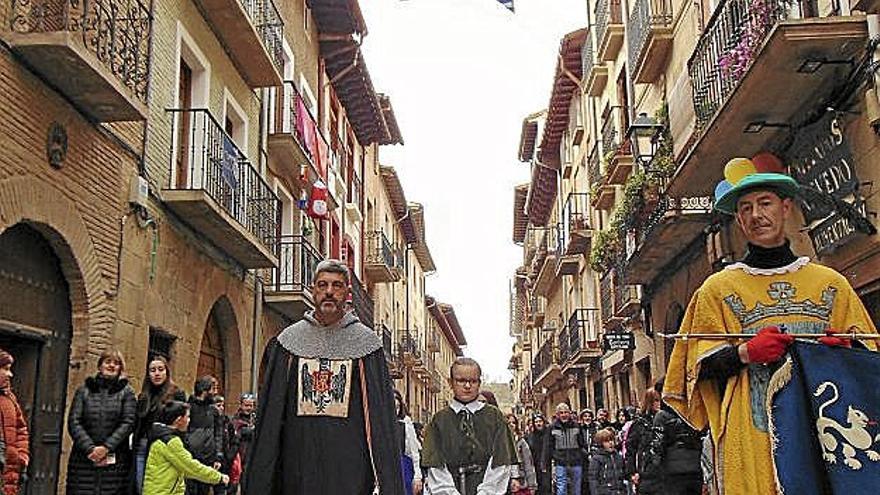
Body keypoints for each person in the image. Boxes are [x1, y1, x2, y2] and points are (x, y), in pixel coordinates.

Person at [663, 159, 879, 494]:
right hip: (754, 435)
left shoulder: (831, 283)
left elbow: (869, 356)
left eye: (765, 203)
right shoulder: (716, 290)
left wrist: (844, 351)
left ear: (785, 207)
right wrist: (745, 353)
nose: (756, 215)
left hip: (826, 432)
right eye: (745, 208)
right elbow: (692, 371)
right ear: (739, 220)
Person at [243, 259, 404, 494]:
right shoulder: (289, 342)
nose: (329, 292)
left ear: (347, 292)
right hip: (298, 469)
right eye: (323, 285)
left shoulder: (367, 345)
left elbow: (381, 420)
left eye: (337, 285)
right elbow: (271, 416)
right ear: (313, 289)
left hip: (350, 472)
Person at [421, 357, 516, 495]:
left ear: (479, 383)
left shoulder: (494, 417)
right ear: (450, 382)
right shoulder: (439, 420)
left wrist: (486, 492)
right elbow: (435, 465)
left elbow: (501, 460)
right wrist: (450, 493)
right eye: (461, 380)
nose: (467, 386)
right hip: (450, 487)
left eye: (473, 381)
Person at [65, 349, 137, 495]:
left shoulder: (127, 392)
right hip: (83, 460)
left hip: (115, 463)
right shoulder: (83, 390)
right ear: (99, 366)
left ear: (120, 368)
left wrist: (106, 448)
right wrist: (90, 448)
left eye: (116, 363)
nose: (111, 365)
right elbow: (74, 421)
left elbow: (128, 422)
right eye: (107, 361)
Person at [143, 400, 228, 495]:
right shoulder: (171, 442)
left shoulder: (162, 436)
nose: (189, 420)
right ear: (179, 420)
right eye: (187, 417)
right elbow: (190, 466)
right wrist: (219, 477)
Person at [134, 355, 187, 493]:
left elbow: (182, 425)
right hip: (143, 447)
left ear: (167, 372)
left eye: (160, 369)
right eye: (152, 370)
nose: (157, 373)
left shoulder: (177, 394)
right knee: (141, 487)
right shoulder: (144, 396)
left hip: (165, 449)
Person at [185, 376, 223, 495]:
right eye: (213, 388)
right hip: (191, 457)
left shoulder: (214, 411)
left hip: (208, 458)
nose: (215, 392)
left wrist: (218, 455)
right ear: (204, 389)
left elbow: (218, 434)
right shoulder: (188, 408)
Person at [542, 403, 588, 495]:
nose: (564, 415)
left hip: (576, 462)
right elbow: (548, 446)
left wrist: (584, 456)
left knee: (576, 489)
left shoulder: (577, 426)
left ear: (569, 413)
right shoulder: (552, 428)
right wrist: (545, 463)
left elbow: (582, 444)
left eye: (566, 412)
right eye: (561, 413)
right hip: (560, 462)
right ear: (557, 415)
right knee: (561, 489)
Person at [0, 348, 27, 495]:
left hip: (7, 473)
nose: (10, 374)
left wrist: (22, 457)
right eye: (6, 369)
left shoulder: (10, 398)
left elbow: (21, 430)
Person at [624, 389, 662, 494]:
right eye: (656, 400)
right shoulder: (639, 424)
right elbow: (630, 449)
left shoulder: (667, 421)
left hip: (665, 471)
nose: (659, 404)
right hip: (646, 472)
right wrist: (632, 472)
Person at [394, 390, 423, 495]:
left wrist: (417, 476)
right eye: (393, 407)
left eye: (397, 407)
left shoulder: (405, 422)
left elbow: (414, 452)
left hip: (404, 468)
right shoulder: (380, 422)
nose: (395, 410)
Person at [228, 392, 256, 493]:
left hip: (252, 454)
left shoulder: (255, 418)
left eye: (251, 405)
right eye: (246, 405)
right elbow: (236, 433)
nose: (248, 408)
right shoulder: (235, 419)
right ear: (241, 405)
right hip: (239, 455)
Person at [586, 429, 625, 495]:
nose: (610, 443)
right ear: (601, 443)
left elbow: (622, 475)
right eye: (607, 441)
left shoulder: (618, 457)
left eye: (611, 440)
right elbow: (593, 479)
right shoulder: (596, 459)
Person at [505, 414, 537, 495]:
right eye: (509, 423)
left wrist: (532, 485)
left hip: (520, 482)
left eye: (513, 423)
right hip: (504, 483)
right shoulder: (499, 442)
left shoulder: (521, 442)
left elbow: (528, 464)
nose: (511, 425)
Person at [526, 414, 551, 495]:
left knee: (546, 487)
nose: (538, 423)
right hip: (534, 466)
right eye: (536, 422)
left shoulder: (549, 434)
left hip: (546, 465)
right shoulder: (530, 436)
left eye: (540, 421)